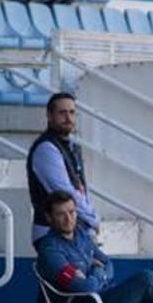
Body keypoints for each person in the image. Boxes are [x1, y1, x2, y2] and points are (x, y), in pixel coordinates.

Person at [27, 92, 100, 245]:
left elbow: (80, 189)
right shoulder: (46, 149)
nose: (68, 118)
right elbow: (64, 191)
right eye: (62, 113)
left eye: (72, 112)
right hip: (51, 234)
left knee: (103, 266)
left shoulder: (71, 146)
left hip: (74, 232)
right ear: (49, 115)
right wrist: (92, 218)